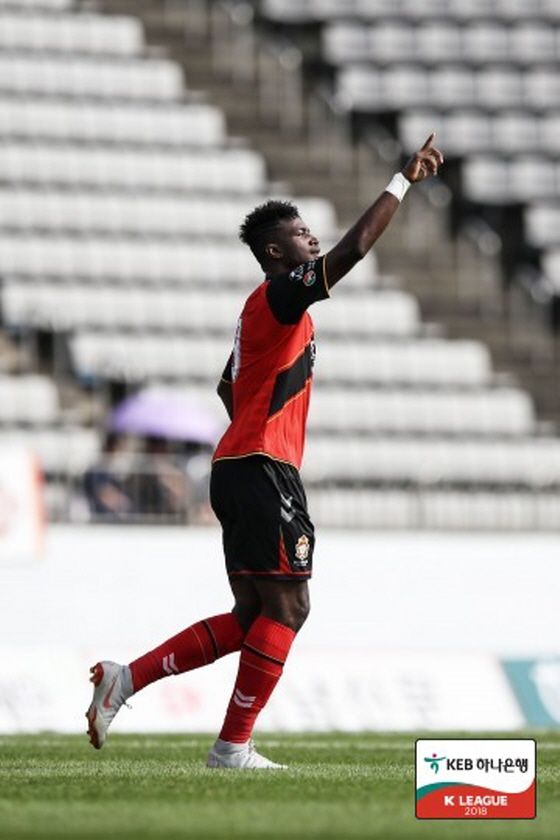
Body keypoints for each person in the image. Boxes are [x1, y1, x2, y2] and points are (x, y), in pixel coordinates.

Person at [85, 134, 444, 768]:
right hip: (260, 467)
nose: (312, 240)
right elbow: (353, 250)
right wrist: (401, 181)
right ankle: (232, 746)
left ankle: (127, 679)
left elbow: (228, 383)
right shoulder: (280, 295)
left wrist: (254, 428)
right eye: (303, 234)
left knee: (254, 613)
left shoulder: (261, 314)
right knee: (291, 605)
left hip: (241, 463)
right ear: (277, 252)